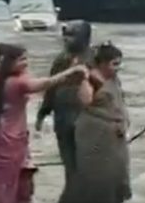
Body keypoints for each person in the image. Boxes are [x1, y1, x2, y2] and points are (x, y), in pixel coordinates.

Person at [0, 44, 87, 203]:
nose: (26, 63)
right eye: (22, 59)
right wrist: (72, 71)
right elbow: (46, 83)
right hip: (11, 140)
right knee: (10, 181)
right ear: (10, 62)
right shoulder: (17, 83)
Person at [59, 42, 131, 203]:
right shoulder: (91, 78)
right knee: (97, 177)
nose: (118, 67)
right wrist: (85, 78)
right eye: (114, 64)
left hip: (115, 136)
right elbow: (84, 101)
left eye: (119, 63)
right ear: (102, 63)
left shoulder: (114, 79)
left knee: (117, 174)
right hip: (95, 135)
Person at [35, 20, 92, 185]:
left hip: (87, 118)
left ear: (85, 37)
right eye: (65, 35)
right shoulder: (61, 59)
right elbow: (51, 87)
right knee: (69, 162)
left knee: (87, 163)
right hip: (63, 117)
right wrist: (42, 113)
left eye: (72, 36)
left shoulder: (95, 59)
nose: (66, 39)